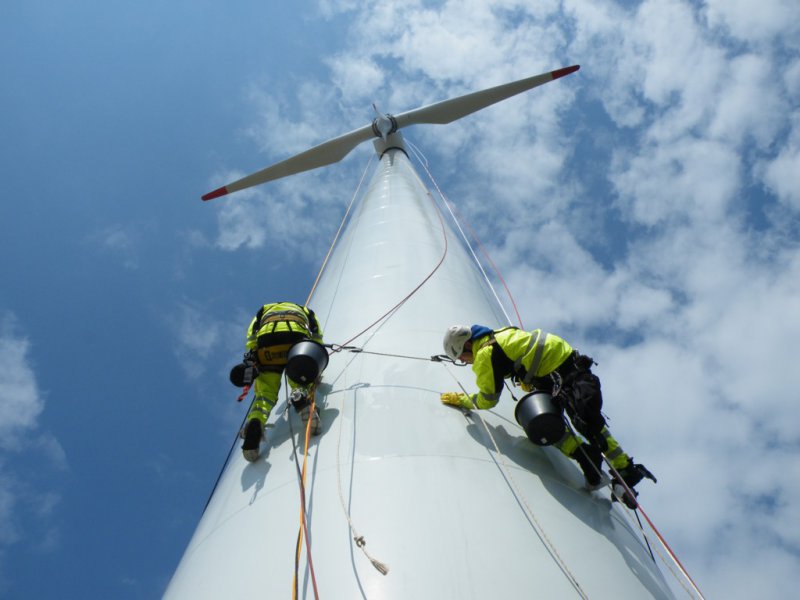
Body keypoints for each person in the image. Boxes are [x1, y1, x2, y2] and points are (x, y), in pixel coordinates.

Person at [441, 324, 655, 507]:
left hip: (559, 375)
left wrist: (463, 401)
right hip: (567, 367)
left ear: (468, 345)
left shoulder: (484, 355)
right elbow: (526, 352)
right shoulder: (500, 333)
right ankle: (600, 461)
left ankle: (611, 465)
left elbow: (489, 399)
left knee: (545, 424)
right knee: (572, 422)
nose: (466, 362)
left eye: (462, 357)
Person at [229, 302, 325, 462]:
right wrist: (316, 351)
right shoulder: (304, 309)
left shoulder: (264, 309)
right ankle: (300, 394)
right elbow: (315, 331)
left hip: (267, 344)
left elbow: (252, 333)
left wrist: (252, 354)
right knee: (301, 374)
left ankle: (256, 421)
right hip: (295, 338)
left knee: (265, 393)